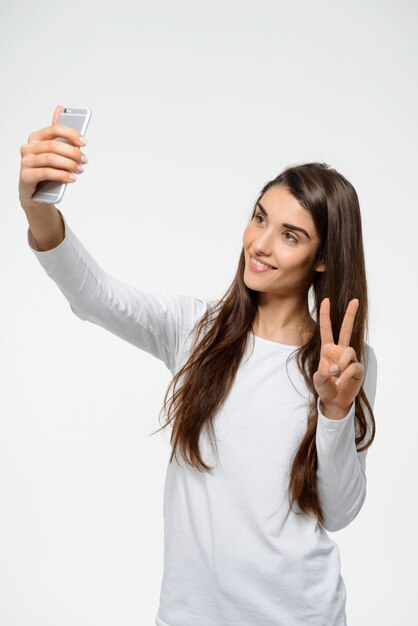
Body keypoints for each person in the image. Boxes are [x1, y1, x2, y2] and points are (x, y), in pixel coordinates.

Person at [19, 105, 378, 626]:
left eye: (290, 235)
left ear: (323, 258)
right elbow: (94, 294)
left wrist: (336, 410)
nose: (259, 243)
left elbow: (340, 510)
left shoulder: (347, 363)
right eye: (259, 218)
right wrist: (38, 209)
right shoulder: (195, 331)